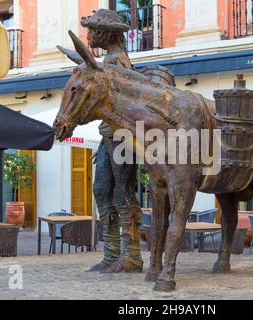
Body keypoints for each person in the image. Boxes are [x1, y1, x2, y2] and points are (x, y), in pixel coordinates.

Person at [81, 9, 143, 273]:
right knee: (101, 190)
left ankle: (131, 255)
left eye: (93, 31)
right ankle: (111, 252)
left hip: (122, 139)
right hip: (108, 137)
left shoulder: (118, 62)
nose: (89, 36)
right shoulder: (109, 60)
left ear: (107, 34)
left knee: (122, 193)